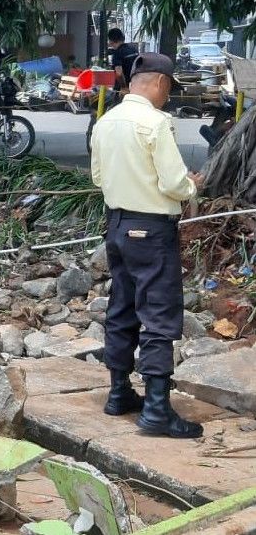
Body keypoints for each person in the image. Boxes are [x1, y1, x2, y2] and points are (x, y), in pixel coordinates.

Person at [90, 53, 204, 440]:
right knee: (158, 314)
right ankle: (156, 409)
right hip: (152, 229)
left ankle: (119, 393)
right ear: (159, 83)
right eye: (168, 88)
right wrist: (192, 186)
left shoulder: (106, 122)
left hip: (117, 226)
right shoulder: (156, 123)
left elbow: (98, 177)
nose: (168, 96)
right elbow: (173, 184)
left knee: (122, 305)